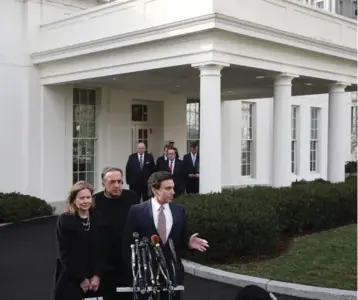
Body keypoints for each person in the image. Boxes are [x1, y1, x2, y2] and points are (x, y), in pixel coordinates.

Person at [122, 171, 209, 300]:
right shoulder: (137, 211)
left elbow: (181, 239)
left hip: (173, 274)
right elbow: (127, 246)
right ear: (155, 189)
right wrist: (135, 274)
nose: (173, 192)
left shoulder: (179, 210)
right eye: (168, 188)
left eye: (173, 187)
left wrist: (188, 243)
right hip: (146, 276)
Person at [53, 181, 107, 300]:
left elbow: (103, 249)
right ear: (74, 200)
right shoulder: (65, 219)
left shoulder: (97, 216)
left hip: (95, 279)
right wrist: (81, 279)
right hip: (71, 277)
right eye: (81, 198)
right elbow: (64, 253)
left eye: (88, 197)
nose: (86, 201)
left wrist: (97, 275)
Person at [93, 167, 140, 300]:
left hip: (128, 258)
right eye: (112, 182)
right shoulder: (95, 201)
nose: (117, 185)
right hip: (105, 260)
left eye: (120, 182)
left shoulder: (132, 197)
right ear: (103, 184)